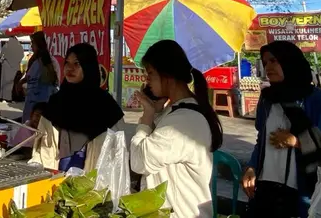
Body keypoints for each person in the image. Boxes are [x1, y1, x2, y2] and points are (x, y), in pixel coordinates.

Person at [243, 41, 321, 218]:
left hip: (303, 196)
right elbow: (261, 139)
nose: (268, 67)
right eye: (265, 63)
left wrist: (298, 142)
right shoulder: (267, 99)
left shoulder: (318, 101)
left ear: (290, 62)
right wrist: (252, 167)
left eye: (274, 60)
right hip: (266, 191)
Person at [130, 40, 223, 218]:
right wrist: (156, 112)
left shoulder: (182, 121)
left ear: (167, 75)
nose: (147, 81)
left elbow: (139, 161)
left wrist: (147, 117)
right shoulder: (177, 111)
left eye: (150, 74)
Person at [31, 44, 124, 172]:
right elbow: (43, 145)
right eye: (67, 63)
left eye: (77, 64)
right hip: (56, 173)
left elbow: (117, 151)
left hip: (92, 178)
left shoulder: (105, 104)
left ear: (88, 67)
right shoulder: (56, 101)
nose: (70, 68)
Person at [22, 31, 59, 122]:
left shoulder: (51, 62)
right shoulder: (34, 60)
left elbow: (55, 82)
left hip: (43, 106)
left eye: (33, 43)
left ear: (39, 44)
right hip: (31, 104)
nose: (31, 46)